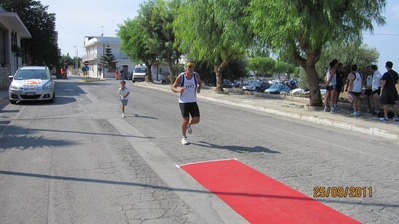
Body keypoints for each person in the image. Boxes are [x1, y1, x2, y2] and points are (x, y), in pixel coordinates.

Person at [171, 61, 202, 145]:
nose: (191, 68)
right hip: (183, 101)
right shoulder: (181, 77)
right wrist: (178, 90)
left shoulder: (196, 75)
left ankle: (189, 124)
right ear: (185, 67)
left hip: (193, 101)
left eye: (193, 67)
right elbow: (173, 87)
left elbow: (199, 82)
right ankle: (183, 137)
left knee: (196, 120)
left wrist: (198, 87)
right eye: (189, 66)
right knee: (185, 119)